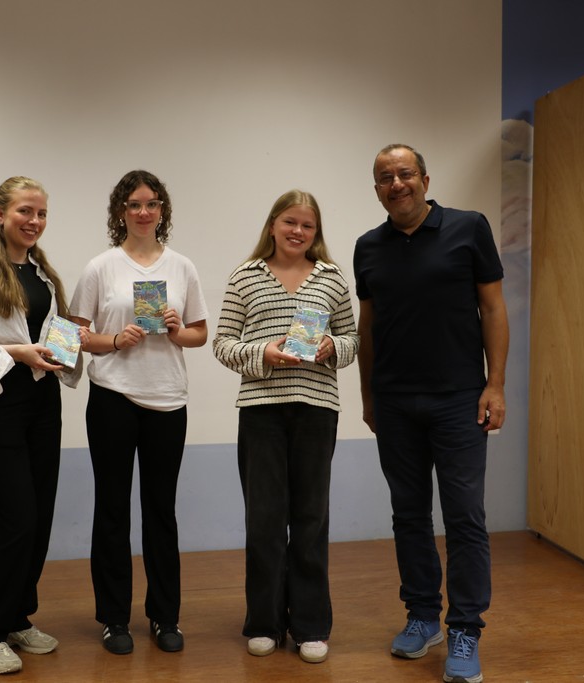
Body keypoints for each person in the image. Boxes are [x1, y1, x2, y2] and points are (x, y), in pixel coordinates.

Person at [353, 144, 508, 683]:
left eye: (404, 173)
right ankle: (423, 616)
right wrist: (369, 396)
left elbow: (493, 307)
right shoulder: (368, 247)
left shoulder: (469, 228)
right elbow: (368, 327)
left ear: (423, 178)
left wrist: (495, 385)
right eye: (384, 177)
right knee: (409, 514)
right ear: (377, 189)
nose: (396, 183)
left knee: (464, 516)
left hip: (459, 399)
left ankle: (465, 628)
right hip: (395, 402)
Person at [0, 176, 86, 676]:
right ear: (0, 213)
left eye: (41, 213)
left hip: (43, 403)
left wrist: (67, 345)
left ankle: (16, 616)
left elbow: (50, 333)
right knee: (17, 518)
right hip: (0, 404)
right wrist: (18, 352)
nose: (35, 221)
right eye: (26, 211)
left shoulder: (43, 274)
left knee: (40, 516)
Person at [212, 190, 359, 665]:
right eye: (290, 222)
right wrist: (263, 353)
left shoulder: (332, 277)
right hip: (261, 411)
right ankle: (264, 623)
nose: (298, 232)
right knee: (265, 521)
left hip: (318, 410)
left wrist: (332, 347)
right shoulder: (245, 276)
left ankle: (311, 625)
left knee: (311, 520)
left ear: (316, 232)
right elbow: (223, 343)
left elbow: (353, 338)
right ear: (273, 224)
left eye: (307, 226)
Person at [68, 169, 208, 655]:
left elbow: (200, 333)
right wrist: (112, 340)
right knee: (111, 510)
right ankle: (114, 619)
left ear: (161, 210)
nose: (143, 212)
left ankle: (165, 616)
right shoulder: (101, 267)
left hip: (168, 399)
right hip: (112, 397)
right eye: (134, 204)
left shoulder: (182, 267)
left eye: (151, 204)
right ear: (120, 212)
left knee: (161, 512)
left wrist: (176, 330)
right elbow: (73, 334)